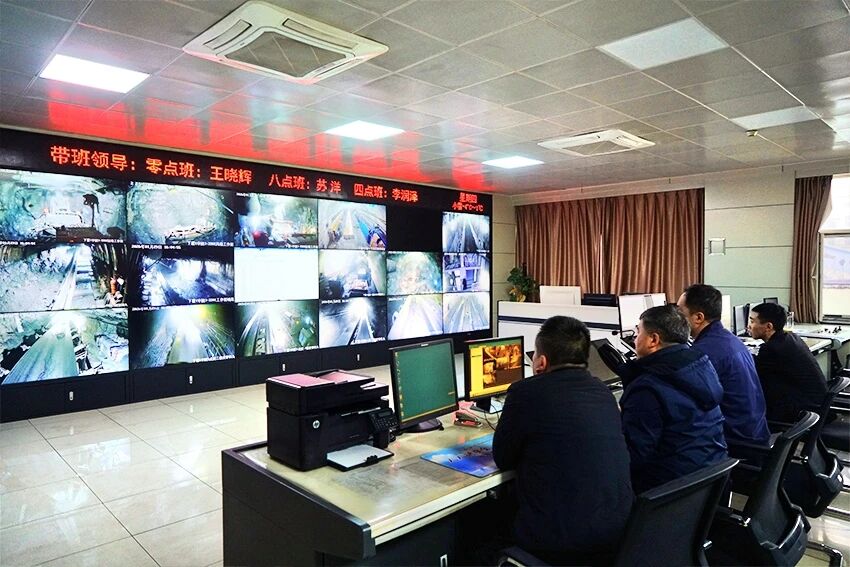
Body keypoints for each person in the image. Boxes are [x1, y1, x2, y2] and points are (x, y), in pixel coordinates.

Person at [493, 316, 633, 565]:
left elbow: (503, 458)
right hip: (617, 536)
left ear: (541, 362)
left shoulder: (525, 393)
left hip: (559, 541)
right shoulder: (603, 392)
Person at [619, 305, 728, 493]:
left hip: (668, 491)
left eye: (638, 333)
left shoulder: (648, 387)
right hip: (709, 480)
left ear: (653, 340)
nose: (635, 340)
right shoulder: (701, 365)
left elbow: (633, 456)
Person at [677, 284, 770, 446]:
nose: (676, 318)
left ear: (698, 317)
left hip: (735, 440)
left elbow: (684, 403)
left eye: (679, 312)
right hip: (754, 430)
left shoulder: (704, 353)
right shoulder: (728, 339)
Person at [748, 302, 828, 423]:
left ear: (769, 326)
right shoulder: (791, 337)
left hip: (802, 411)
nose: (748, 326)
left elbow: (754, 377)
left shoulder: (771, 349)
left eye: (752, 321)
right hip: (817, 405)